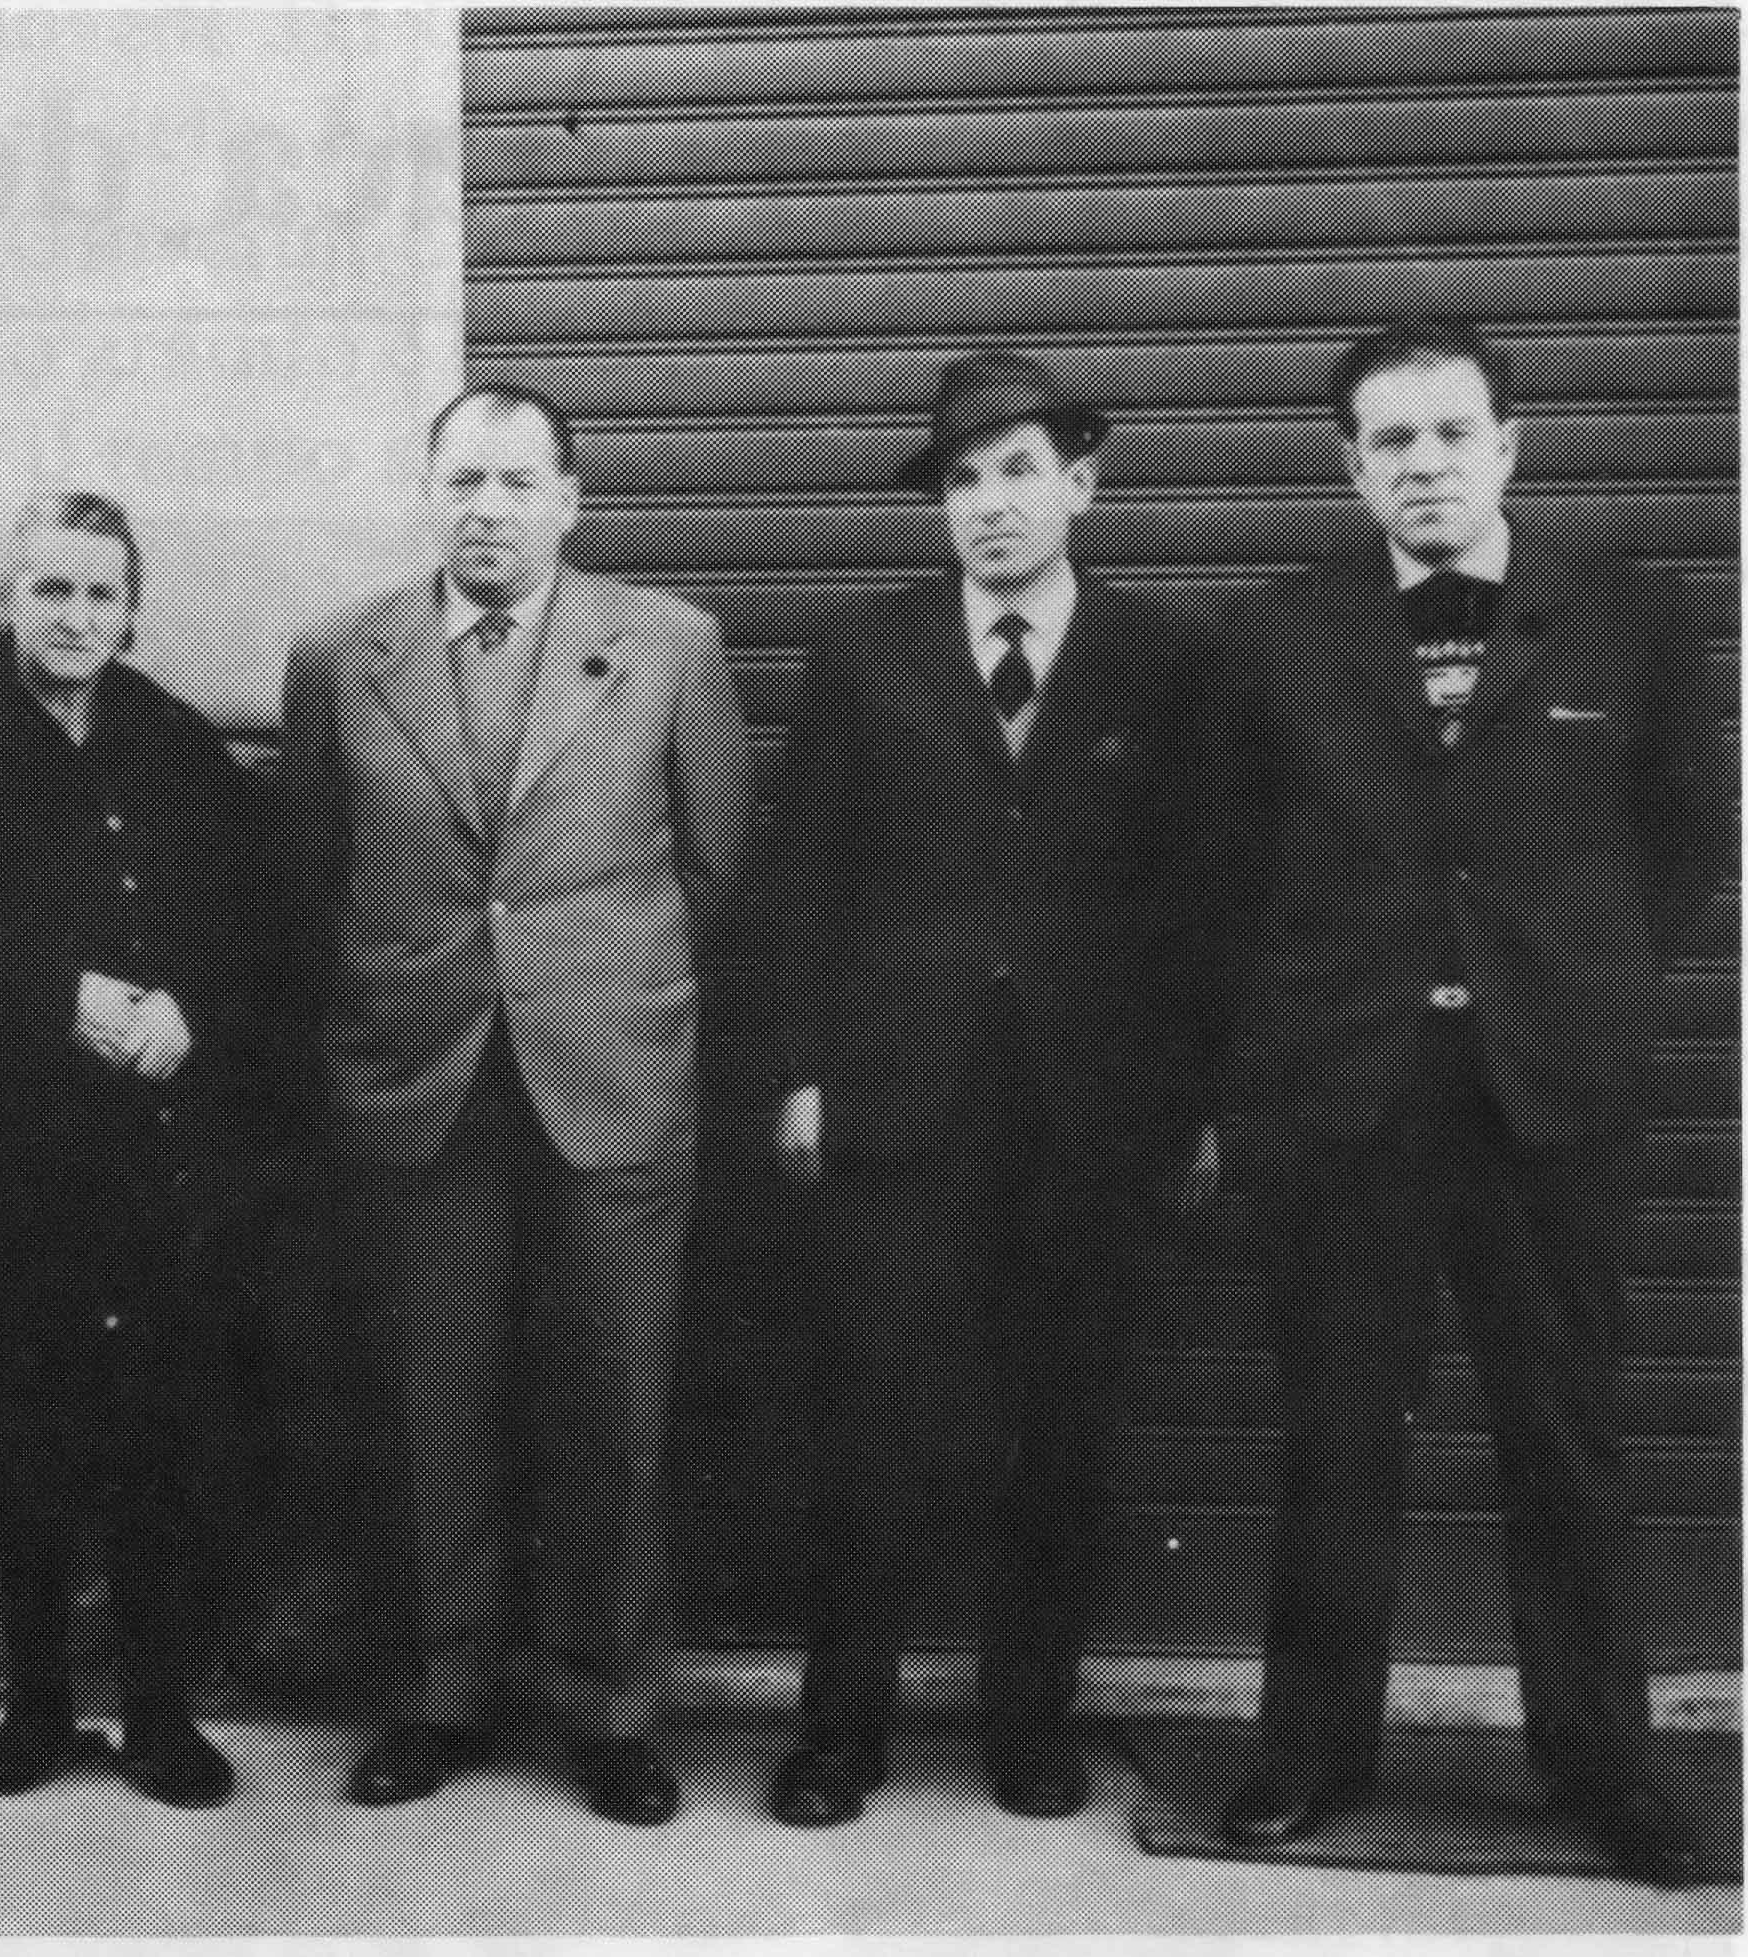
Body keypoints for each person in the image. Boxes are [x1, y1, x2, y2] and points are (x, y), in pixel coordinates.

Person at [1215, 320, 1723, 1886]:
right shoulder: (1275, 633)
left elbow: (1681, 847)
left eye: (1450, 433)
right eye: (1390, 441)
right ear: (1347, 467)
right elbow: (1222, 875)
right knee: (1336, 1434)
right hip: (1348, 1101)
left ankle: (1600, 1763)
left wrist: (1564, 990)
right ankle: (1309, 1753)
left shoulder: (1628, 616)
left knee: (1563, 1435)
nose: (1422, 464)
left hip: (1544, 1101)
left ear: (1508, 444)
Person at [758, 352, 1228, 1829]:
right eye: (961, 479)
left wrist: (1196, 1104)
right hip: (902, 1104)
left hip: (1092, 1117)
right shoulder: (865, 655)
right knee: (873, 1418)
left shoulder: (1167, 659)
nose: (989, 504)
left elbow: (1205, 903)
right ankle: (840, 1730)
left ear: (1080, 482)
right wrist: (800, 1074)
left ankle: (1029, 1721)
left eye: (1018, 470)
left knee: (1065, 1424)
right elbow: (798, 882)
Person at [282, 382, 753, 1826]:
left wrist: (600, 987)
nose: (487, 509)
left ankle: (610, 1708)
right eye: (463, 481)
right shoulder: (339, 657)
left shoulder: (671, 646)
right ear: (428, 495)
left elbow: (714, 868)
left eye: (516, 483)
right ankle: (440, 1696)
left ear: (569, 500)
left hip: (609, 1078)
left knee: (613, 1403)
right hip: (419, 1081)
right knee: (434, 1409)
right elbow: (313, 872)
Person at [0, 489, 282, 1810]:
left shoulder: (175, 742)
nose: (76, 616)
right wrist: (57, 998)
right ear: (4, 601)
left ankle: (158, 1715)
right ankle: (35, 1706)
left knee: (154, 1442)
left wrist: (191, 1008)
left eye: (100, 593)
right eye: (51, 589)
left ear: (130, 610)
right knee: (19, 1441)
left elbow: (256, 918)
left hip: (151, 1160)